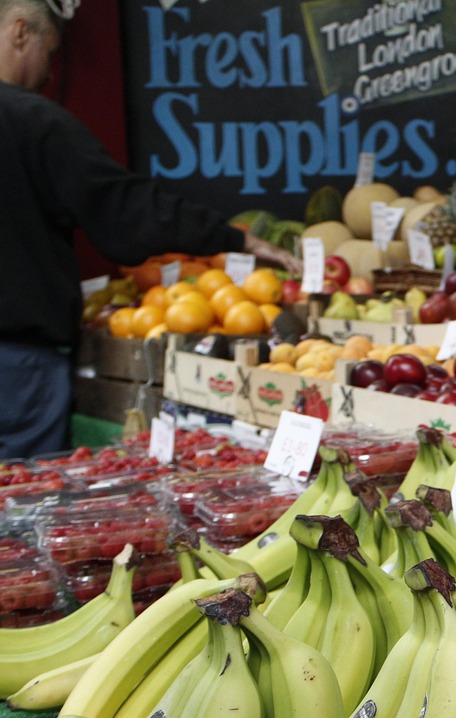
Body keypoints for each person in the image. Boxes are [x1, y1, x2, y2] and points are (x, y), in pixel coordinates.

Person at [0, 0, 301, 458]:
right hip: (18, 363)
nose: (48, 73)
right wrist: (235, 238)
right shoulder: (34, 122)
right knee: (24, 508)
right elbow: (127, 213)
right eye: (49, 50)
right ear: (20, 32)